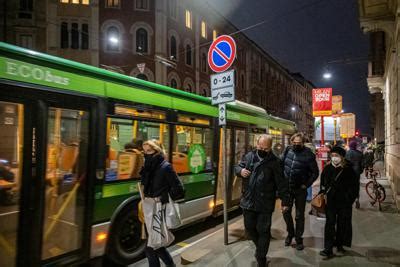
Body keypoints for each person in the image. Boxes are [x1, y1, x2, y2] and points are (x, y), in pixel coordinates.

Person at [235, 134, 289, 267]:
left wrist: (285, 202)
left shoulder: (275, 162)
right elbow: (237, 167)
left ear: (270, 148)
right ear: (257, 144)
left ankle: (261, 258)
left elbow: (281, 184)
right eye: (260, 147)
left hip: (265, 203)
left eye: (266, 149)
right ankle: (261, 250)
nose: (262, 150)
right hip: (248, 201)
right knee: (250, 229)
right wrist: (240, 171)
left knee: (264, 231)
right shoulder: (249, 156)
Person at [140, 140, 184, 267]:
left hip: (159, 210)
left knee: (152, 247)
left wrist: (162, 197)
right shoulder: (147, 167)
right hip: (149, 210)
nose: (146, 154)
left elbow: (179, 190)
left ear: (157, 151)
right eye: (144, 151)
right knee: (155, 246)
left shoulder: (166, 167)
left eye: (149, 151)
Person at [319, 146, 359, 258]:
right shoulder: (327, 169)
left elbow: (355, 187)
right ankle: (328, 248)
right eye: (332, 156)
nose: (334, 158)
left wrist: (349, 199)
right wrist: (323, 193)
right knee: (329, 224)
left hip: (344, 203)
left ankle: (340, 244)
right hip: (330, 202)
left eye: (336, 156)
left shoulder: (348, 169)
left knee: (342, 224)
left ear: (342, 157)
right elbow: (323, 184)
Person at [282, 132, 319, 250]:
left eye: (299, 143)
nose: (296, 144)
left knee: (299, 216)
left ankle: (298, 239)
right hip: (287, 189)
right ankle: (290, 233)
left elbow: (315, 173)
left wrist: (306, 185)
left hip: (300, 190)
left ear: (303, 143)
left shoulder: (309, 154)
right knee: (285, 212)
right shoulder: (287, 150)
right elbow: (280, 164)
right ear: (292, 141)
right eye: (294, 142)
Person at [345, 140, 363, 208]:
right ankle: (357, 199)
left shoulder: (347, 153)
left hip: (348, 173)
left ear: (350, 146)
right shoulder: (360, 153)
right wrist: (360, 171)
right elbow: (362, 164)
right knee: (356, 186)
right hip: (356, 173)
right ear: (355, 146)